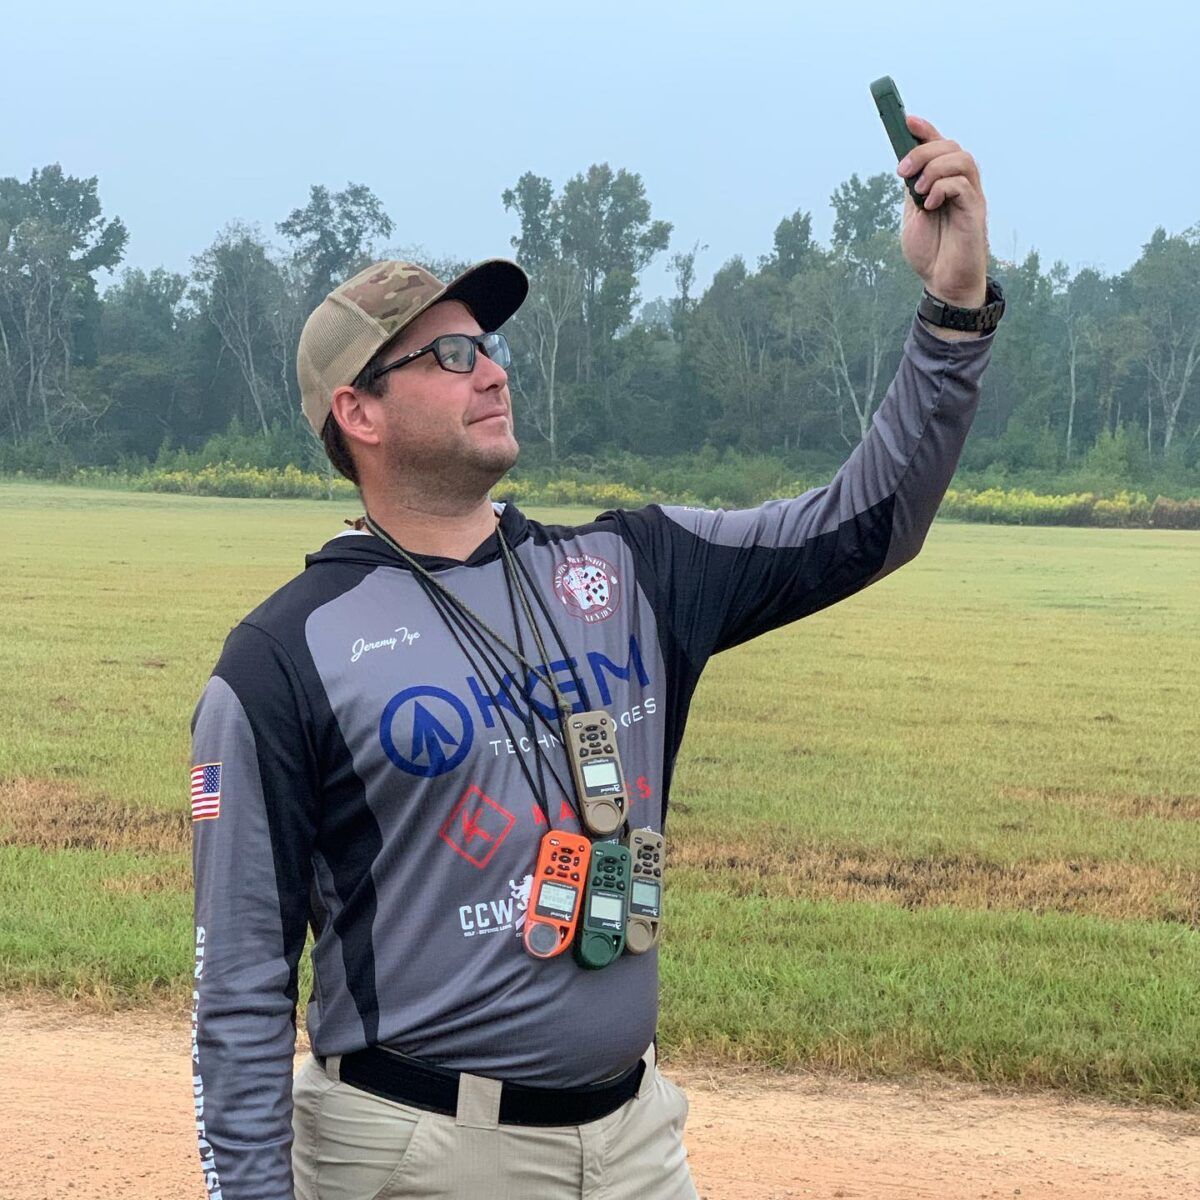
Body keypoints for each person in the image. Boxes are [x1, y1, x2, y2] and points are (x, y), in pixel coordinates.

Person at [190, 114, 1002, 1200]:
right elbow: (240, 990)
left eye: (492, 348)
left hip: (635, 1145)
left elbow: (871, 521)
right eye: (450, 355)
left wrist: (953, 310)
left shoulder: (632, 571)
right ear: (358, 412)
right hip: (420, 1156)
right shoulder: (281, 659)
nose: (491, 371)